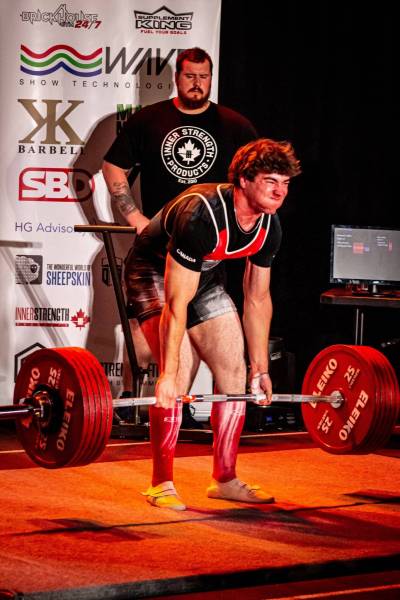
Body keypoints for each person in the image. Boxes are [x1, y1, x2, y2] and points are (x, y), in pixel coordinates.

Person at [123, 138, 301, 510]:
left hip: (202, 279)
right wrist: (167, 375)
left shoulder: (269, 225)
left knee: (235, 370)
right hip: (153, 274)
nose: (279, 191)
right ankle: (161, 483)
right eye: (270, 181)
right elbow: (176, 306)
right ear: (244, 180)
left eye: (285, 183)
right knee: (180, 370)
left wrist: (260, 369)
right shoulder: (201, 215)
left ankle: (225, 478)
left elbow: (257, 298)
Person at [102, 48, 257, 424]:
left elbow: (254, 177)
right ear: (177, 78)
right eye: (190, 76)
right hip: (158, 247)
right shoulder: (148, 120)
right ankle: (132, 404)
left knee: (216, 344)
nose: (197, 84)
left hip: (206, 249)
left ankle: (190, 413)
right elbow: (112, 166)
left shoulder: (234, 125)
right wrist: (134, 215)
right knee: (147, 334)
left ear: (211, 78)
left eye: (204, 77)